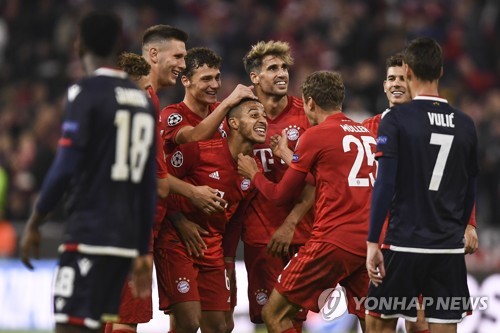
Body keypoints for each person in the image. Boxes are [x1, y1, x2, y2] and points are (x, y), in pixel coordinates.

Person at [19, 11, 156, 333]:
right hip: (124, 241)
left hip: (89, 233)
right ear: (119, 44)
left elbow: (65, 164)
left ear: (79, 45)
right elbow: (147, 184)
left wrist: (36, 220)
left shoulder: (86, 92)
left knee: (71, 327)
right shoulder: (142, 100)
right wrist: (141, 250)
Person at [238, 71, 376, 333]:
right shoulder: (365, 134)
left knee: (274, 314)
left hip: (332, 242)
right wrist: (290, 156)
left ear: (310, 102)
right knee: (371, 320)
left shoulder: (315, 135)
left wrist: (254, 174)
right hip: (369, 243)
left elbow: (280, 195)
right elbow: (329, 175)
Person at [365, 37, 478, 333]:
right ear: (441, 72)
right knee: (441, 326)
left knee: (377, 323)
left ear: (408, 70)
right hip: (448, 249)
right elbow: (470, 187)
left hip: (404, 243)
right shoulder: (465, 123)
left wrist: (373, 241)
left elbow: (385, 184)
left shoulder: (396, 119)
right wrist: (462, 226)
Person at [155, 98, 267, 333]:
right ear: (233, 123)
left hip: (213, 251)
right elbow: (160, 179)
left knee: (221, 326)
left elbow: (235, 221)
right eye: (254, 114)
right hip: (177, 242)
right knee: (189, 321)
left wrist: (227, 260)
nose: (263, 120)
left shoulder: (252, 170)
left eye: (264, 116)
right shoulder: (199, 150)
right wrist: (178, 218)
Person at [226, 40, 314, 331]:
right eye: (272, 68)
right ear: (254, 77)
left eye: (284, 67)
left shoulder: (307, 116)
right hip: (259, 235)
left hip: (301, 232)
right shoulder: (237, 119)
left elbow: (318, 179)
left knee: (293, 318)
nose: (282, 74)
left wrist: (291, 224)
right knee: (269, 318)